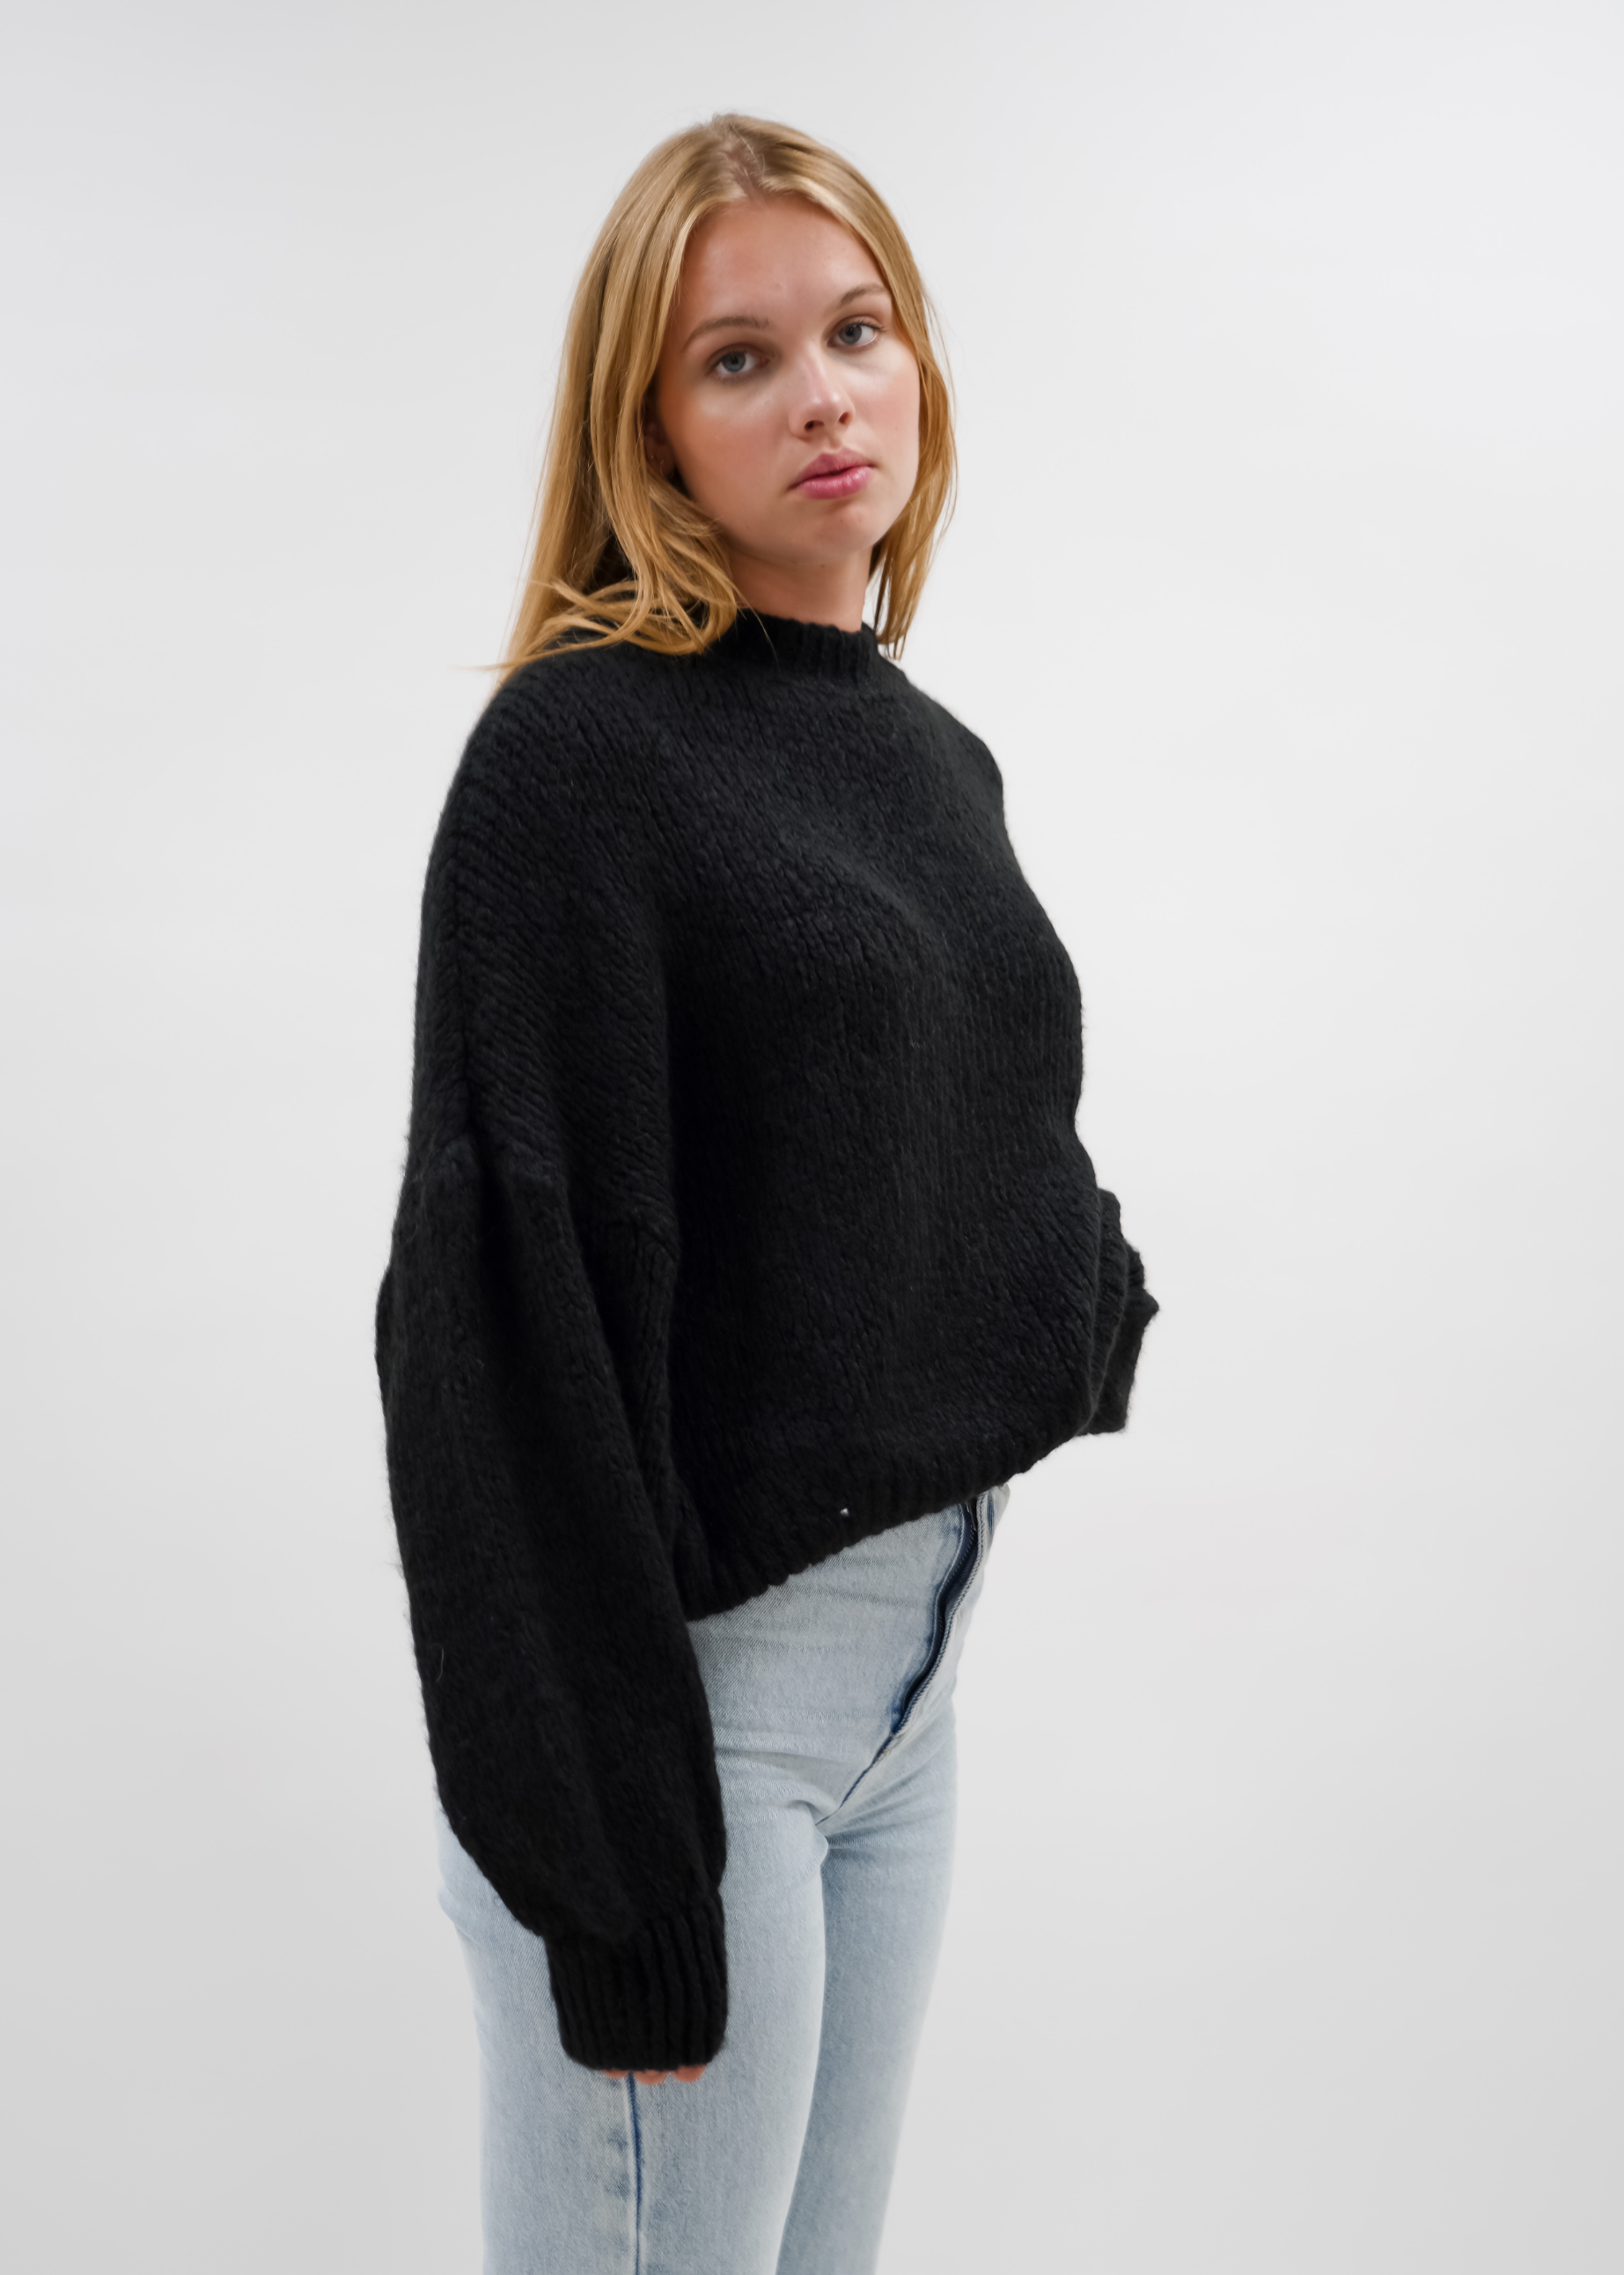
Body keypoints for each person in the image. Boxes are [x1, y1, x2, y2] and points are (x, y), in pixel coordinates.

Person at [375, 112, 1157, 2275]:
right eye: (739, 357)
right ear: (647, 426)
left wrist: (1081, 1296)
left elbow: (943, 1130)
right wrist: (615, 1870)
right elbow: (494, 1325)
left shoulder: (920, 750)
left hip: (912, 1680)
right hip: (689, 1719)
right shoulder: (578, 757)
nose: (822, 393)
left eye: (857, 329)